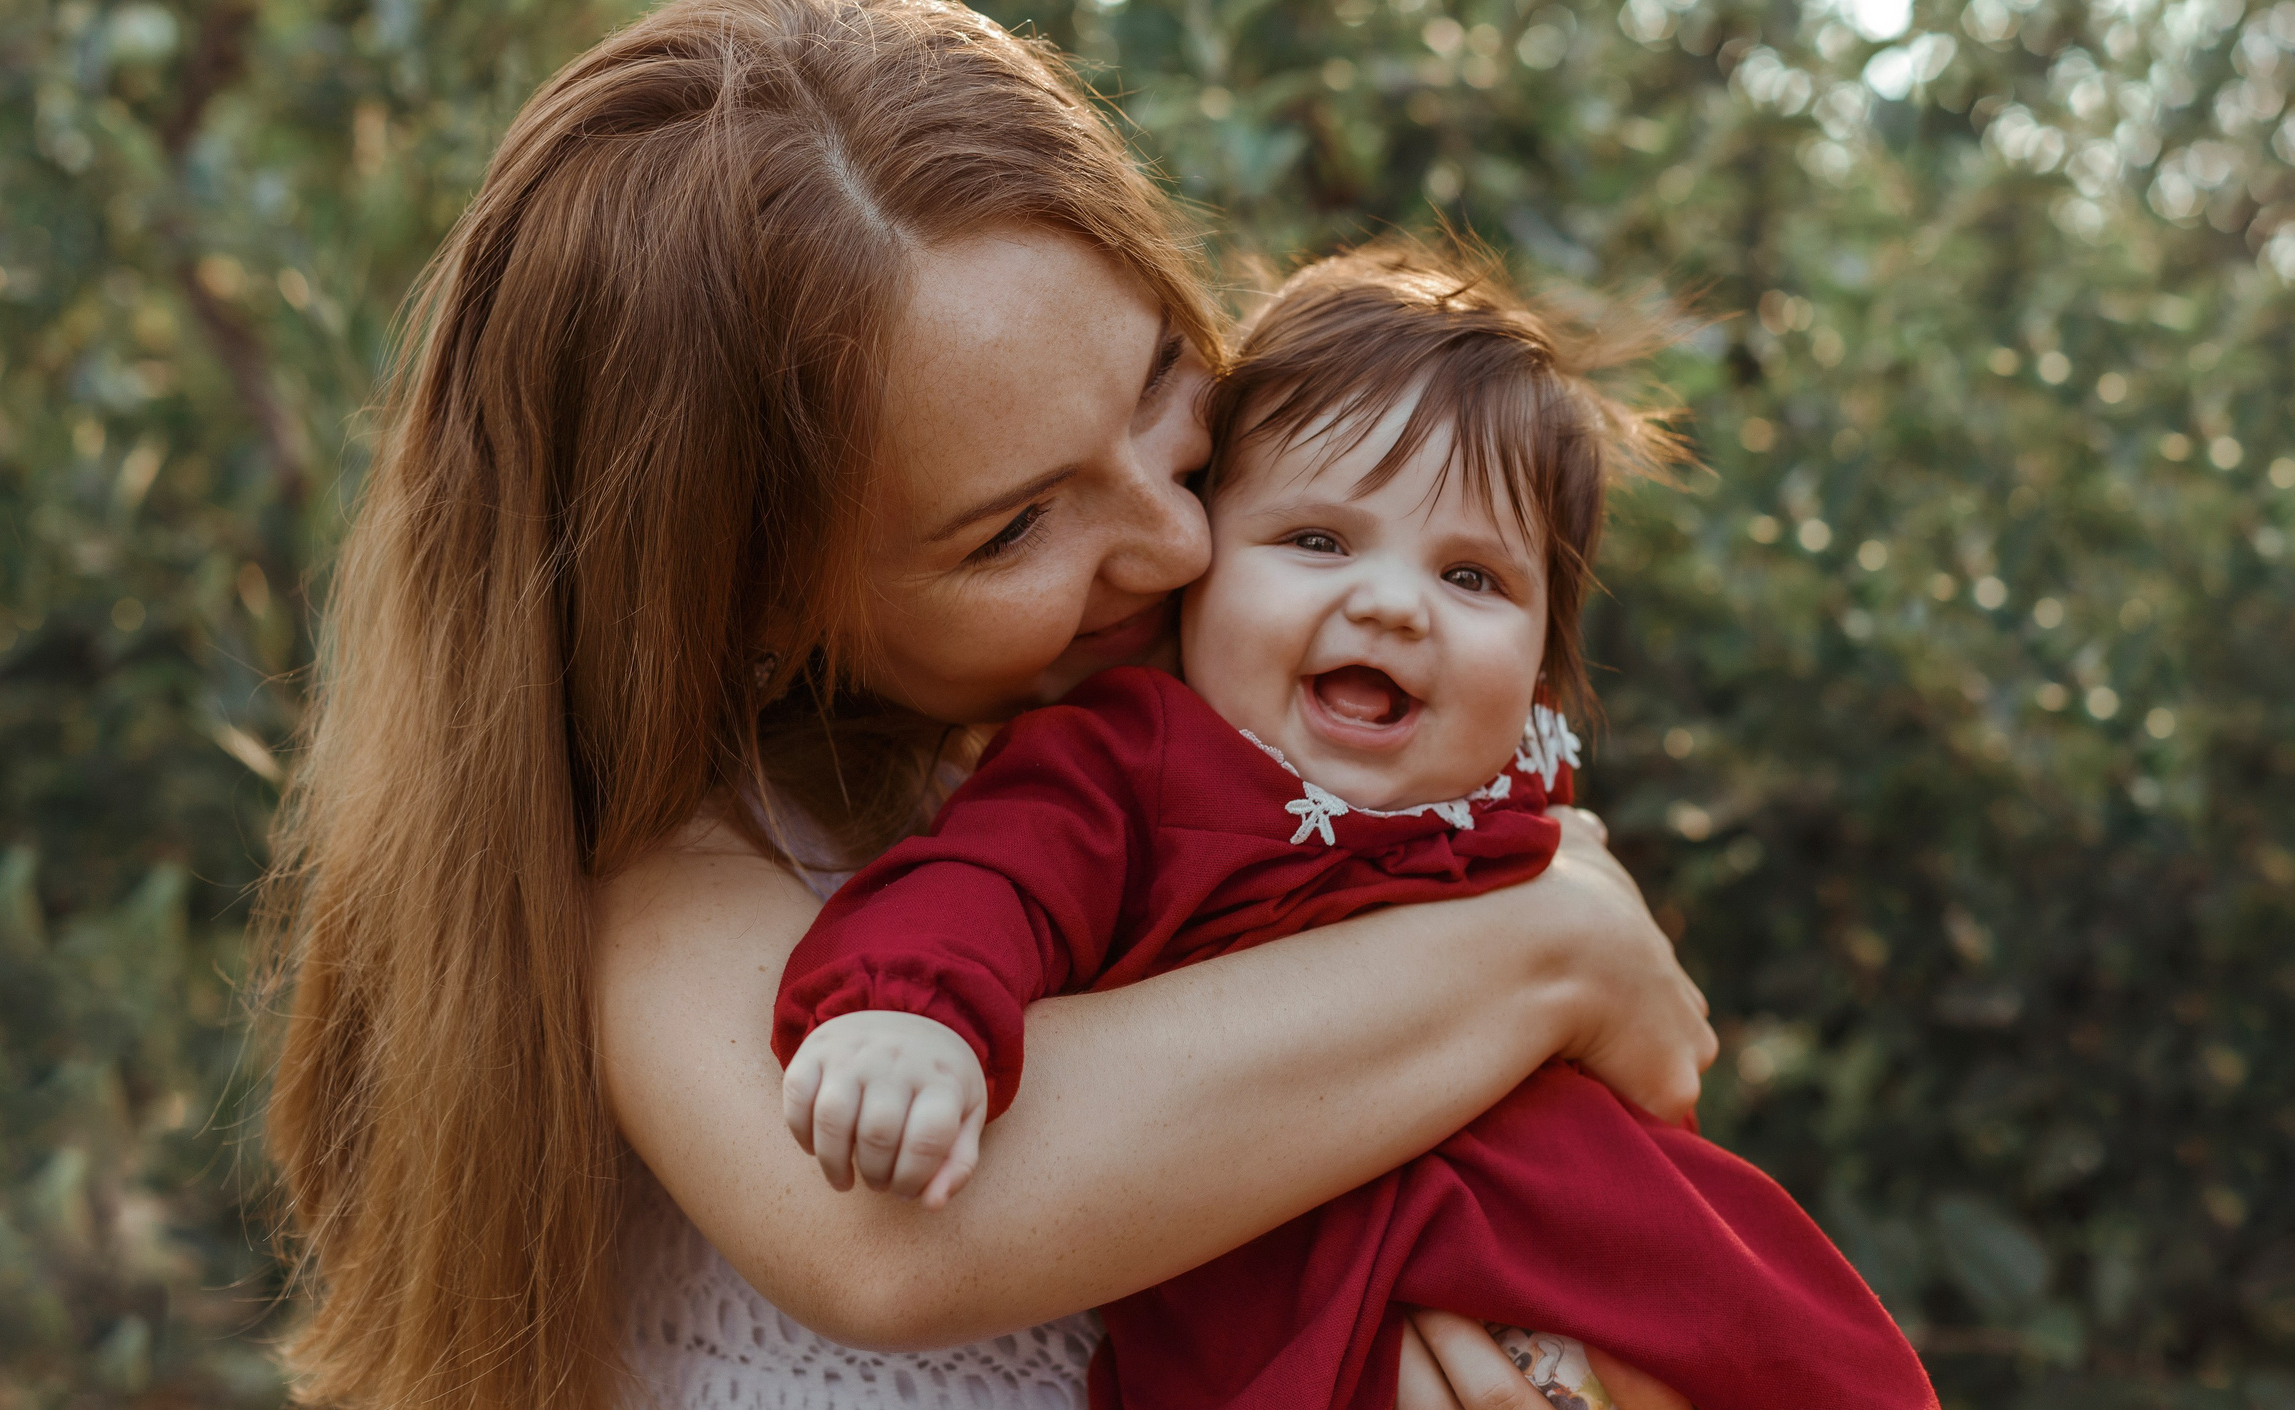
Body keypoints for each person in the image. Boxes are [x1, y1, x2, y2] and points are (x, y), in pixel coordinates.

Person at [253, 2, 1716, 1407]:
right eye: (1013, 529)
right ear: (750, 611)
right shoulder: (665, 873)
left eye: (1158, 384)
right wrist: (1542, 945)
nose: (1180, 539)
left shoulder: (1228, 746)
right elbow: (886, 1238)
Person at [772, 241, 1937, 1410]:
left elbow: (1651, 1099)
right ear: (1201, 570)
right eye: (1317, 541)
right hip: (1298, 1310)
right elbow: (992, 879)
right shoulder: (1134, 761)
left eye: (1473, 578)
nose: (1389, 602)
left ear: (1544, 663)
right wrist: (910, 1016)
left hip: (1598, 1278)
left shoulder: (1530, 824)